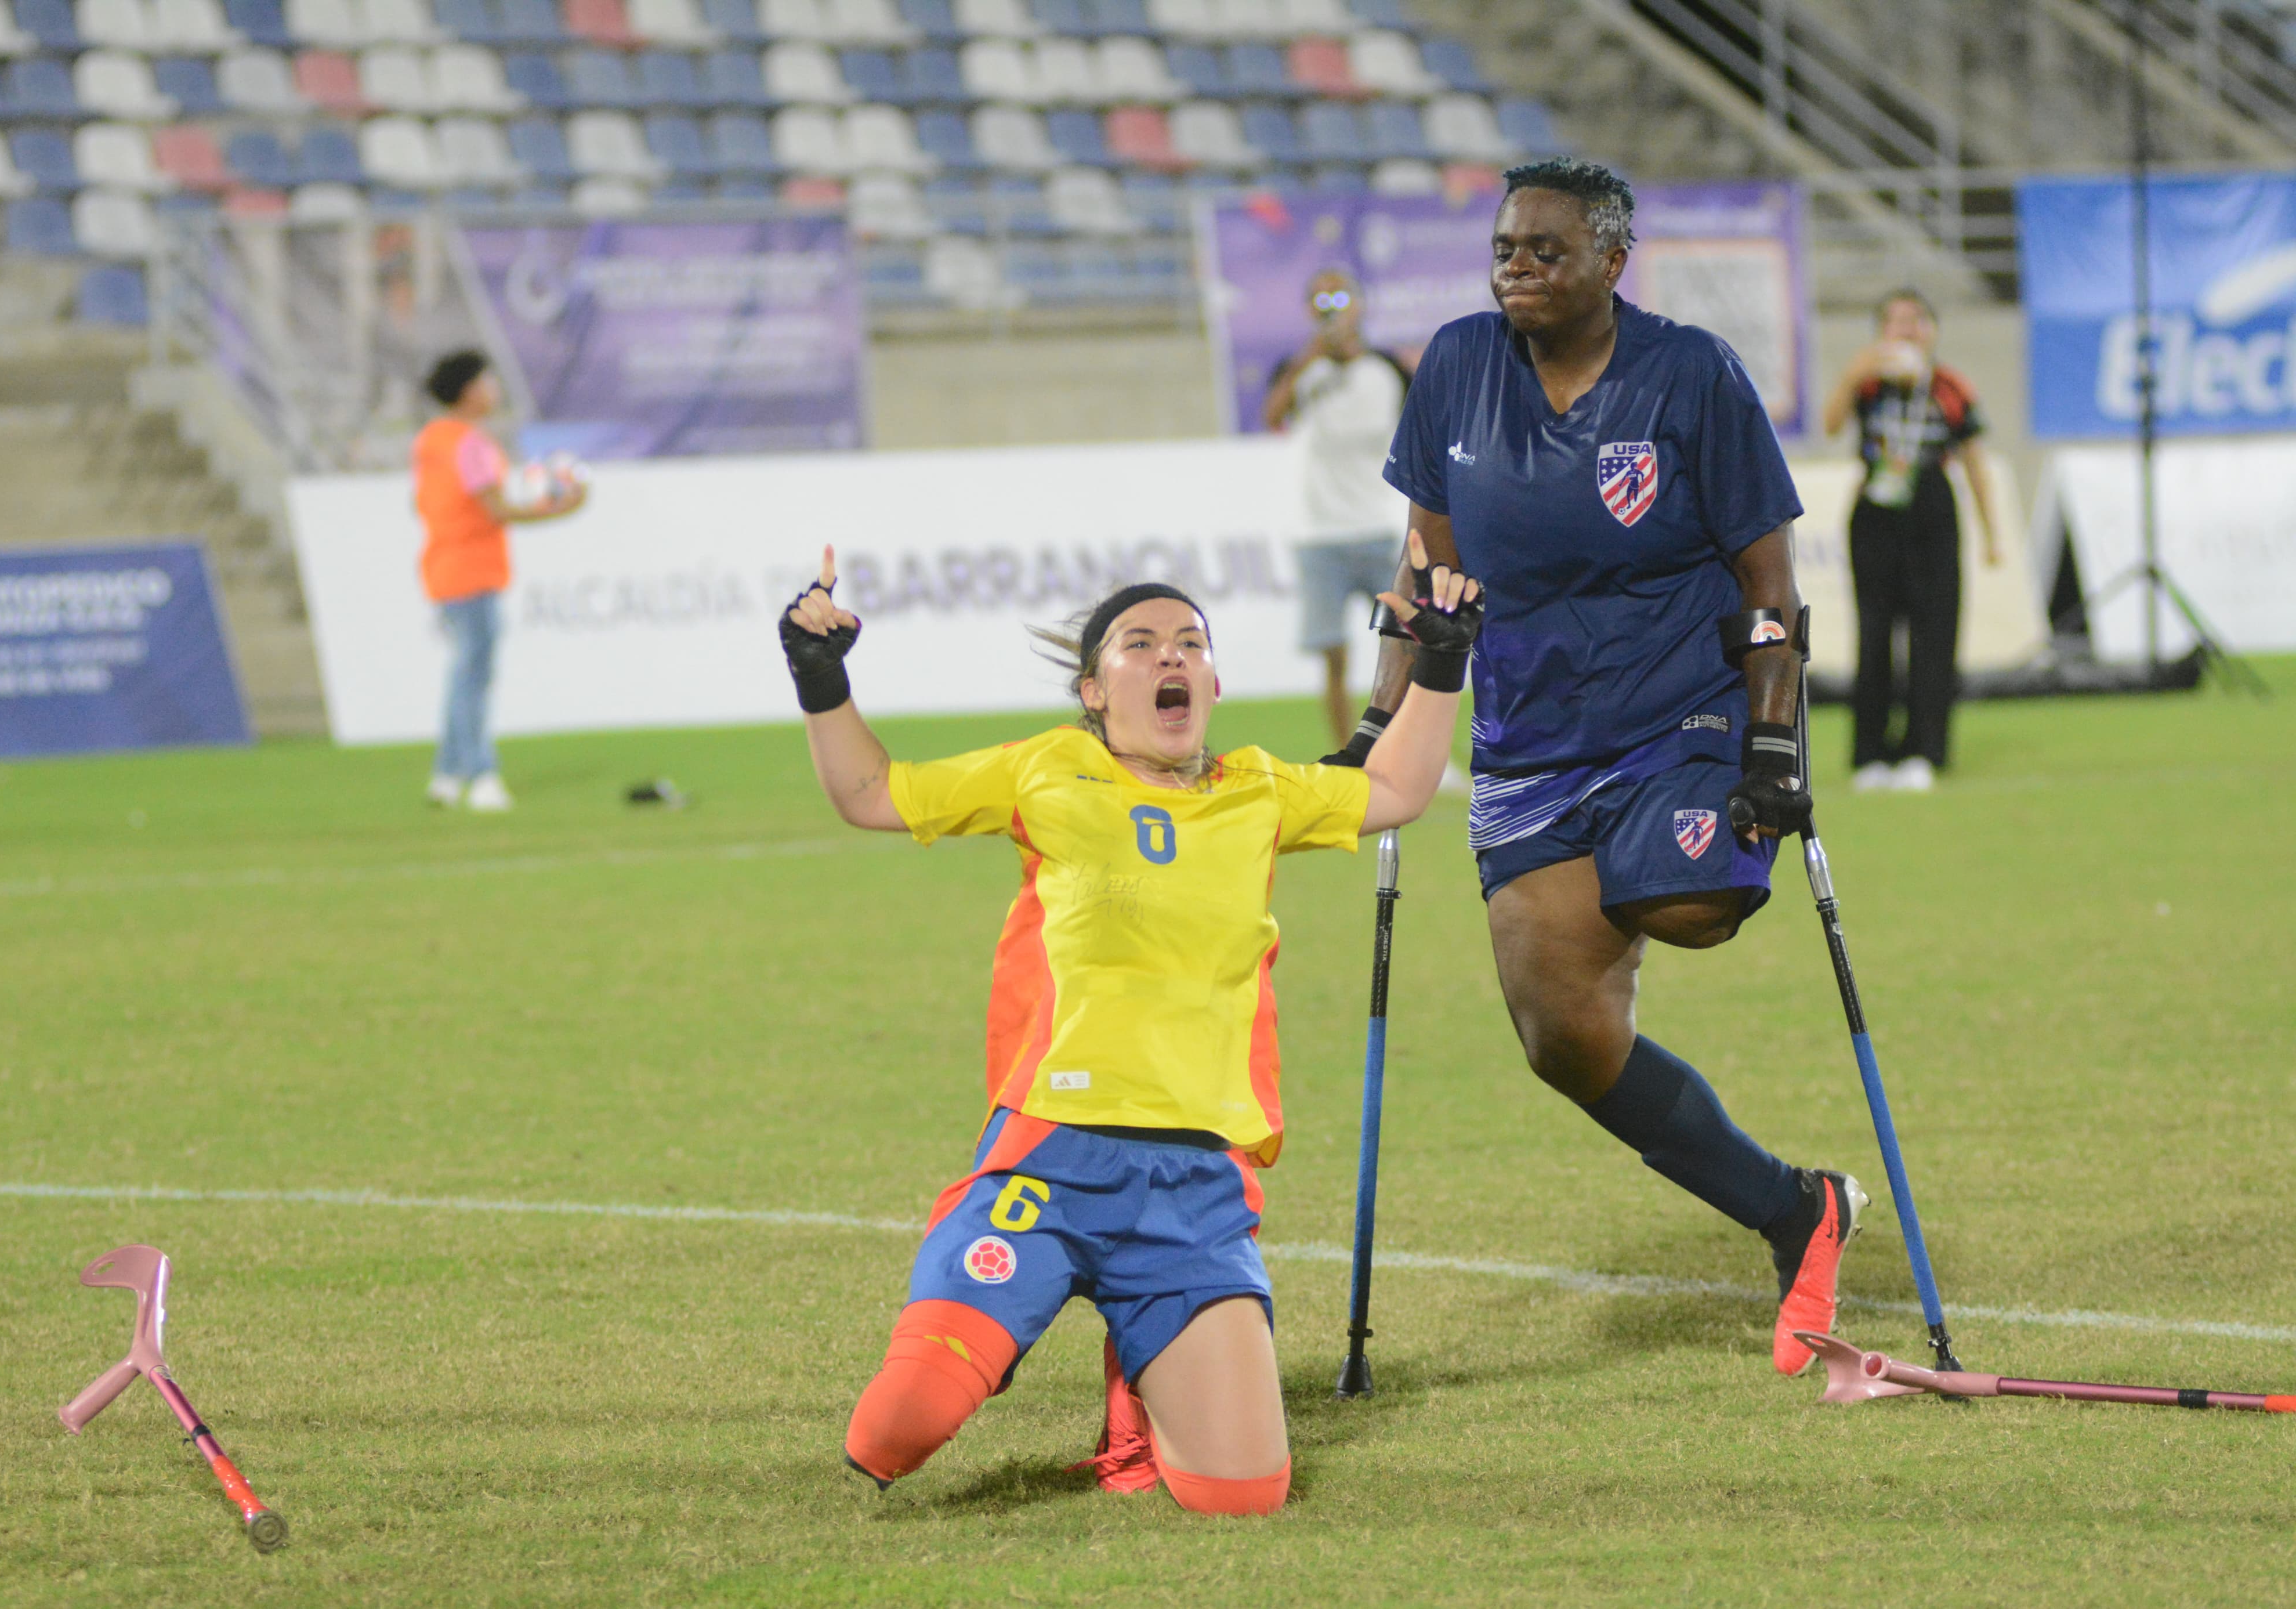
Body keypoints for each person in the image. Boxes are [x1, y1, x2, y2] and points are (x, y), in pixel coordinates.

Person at [781, 536, 1483, 1514]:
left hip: (1195, 1187)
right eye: (1140, 643)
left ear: (1215, 679)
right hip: (1054, 1158)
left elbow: (1400, 788)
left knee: (1244, 1494)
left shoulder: (1259, 789)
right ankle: (998, 1308)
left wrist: (1443, 662)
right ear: (1093, 692)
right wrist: (821, 675)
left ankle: (1135, 1401)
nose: (1169, 657)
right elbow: (869, 795)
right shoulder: (1049, 770)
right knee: (895, 1428)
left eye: (1189, 642)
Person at [1327, 157, 1864, 1377]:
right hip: (1526, 737)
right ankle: (1798, 1211)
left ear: (1611, 261)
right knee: (1559, 1035)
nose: (1517, 268)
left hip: (1679, 711)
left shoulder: (1691, 377)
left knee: (1686, 901)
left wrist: (1775, 744)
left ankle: (1659, 858)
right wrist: (1379, 721)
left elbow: (1768, 586)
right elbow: (1425, 570)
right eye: (1505, 249)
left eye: (1545, 251)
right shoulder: (1456, 366)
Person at [1820, 290, 2002, 793]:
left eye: (1916, 320)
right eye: (1895, 321)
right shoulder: (1869, 381)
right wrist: (1852, 375)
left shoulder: (1949, 386)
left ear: (1932, 330)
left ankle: (1924, 750)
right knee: (1875, 634)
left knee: (1934, 635)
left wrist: (1992, 535)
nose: (1906, 329)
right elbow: (1830, 424)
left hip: (1931, 509)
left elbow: (1975, 461)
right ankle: (1870, 754)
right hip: (1876, 510)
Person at [411, 349, 585, 812]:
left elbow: (423, 504)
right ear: (469, 391)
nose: (494, 390)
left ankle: (446, 776)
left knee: (462, 673)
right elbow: (498, 509)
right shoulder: (471, 443)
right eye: (487, 382)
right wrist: (560, 506)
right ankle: (481, 774)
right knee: (473, 676)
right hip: (473, 569)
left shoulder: (432, 440)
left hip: (442, 564)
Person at [1260, 269, 1415, 754]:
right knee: (1334, 656)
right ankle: (1346, 753)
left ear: (1359, 305)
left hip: (1377, 527)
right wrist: (1306, 361)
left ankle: (1405, 745)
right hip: (1320, 535)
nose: (1331, 308)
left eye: (1340, 296)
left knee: (1406, 645)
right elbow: (1272, 417)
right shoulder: (1301, 370)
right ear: (1309, 308)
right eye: (1320, 298)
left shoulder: (1386, 368)